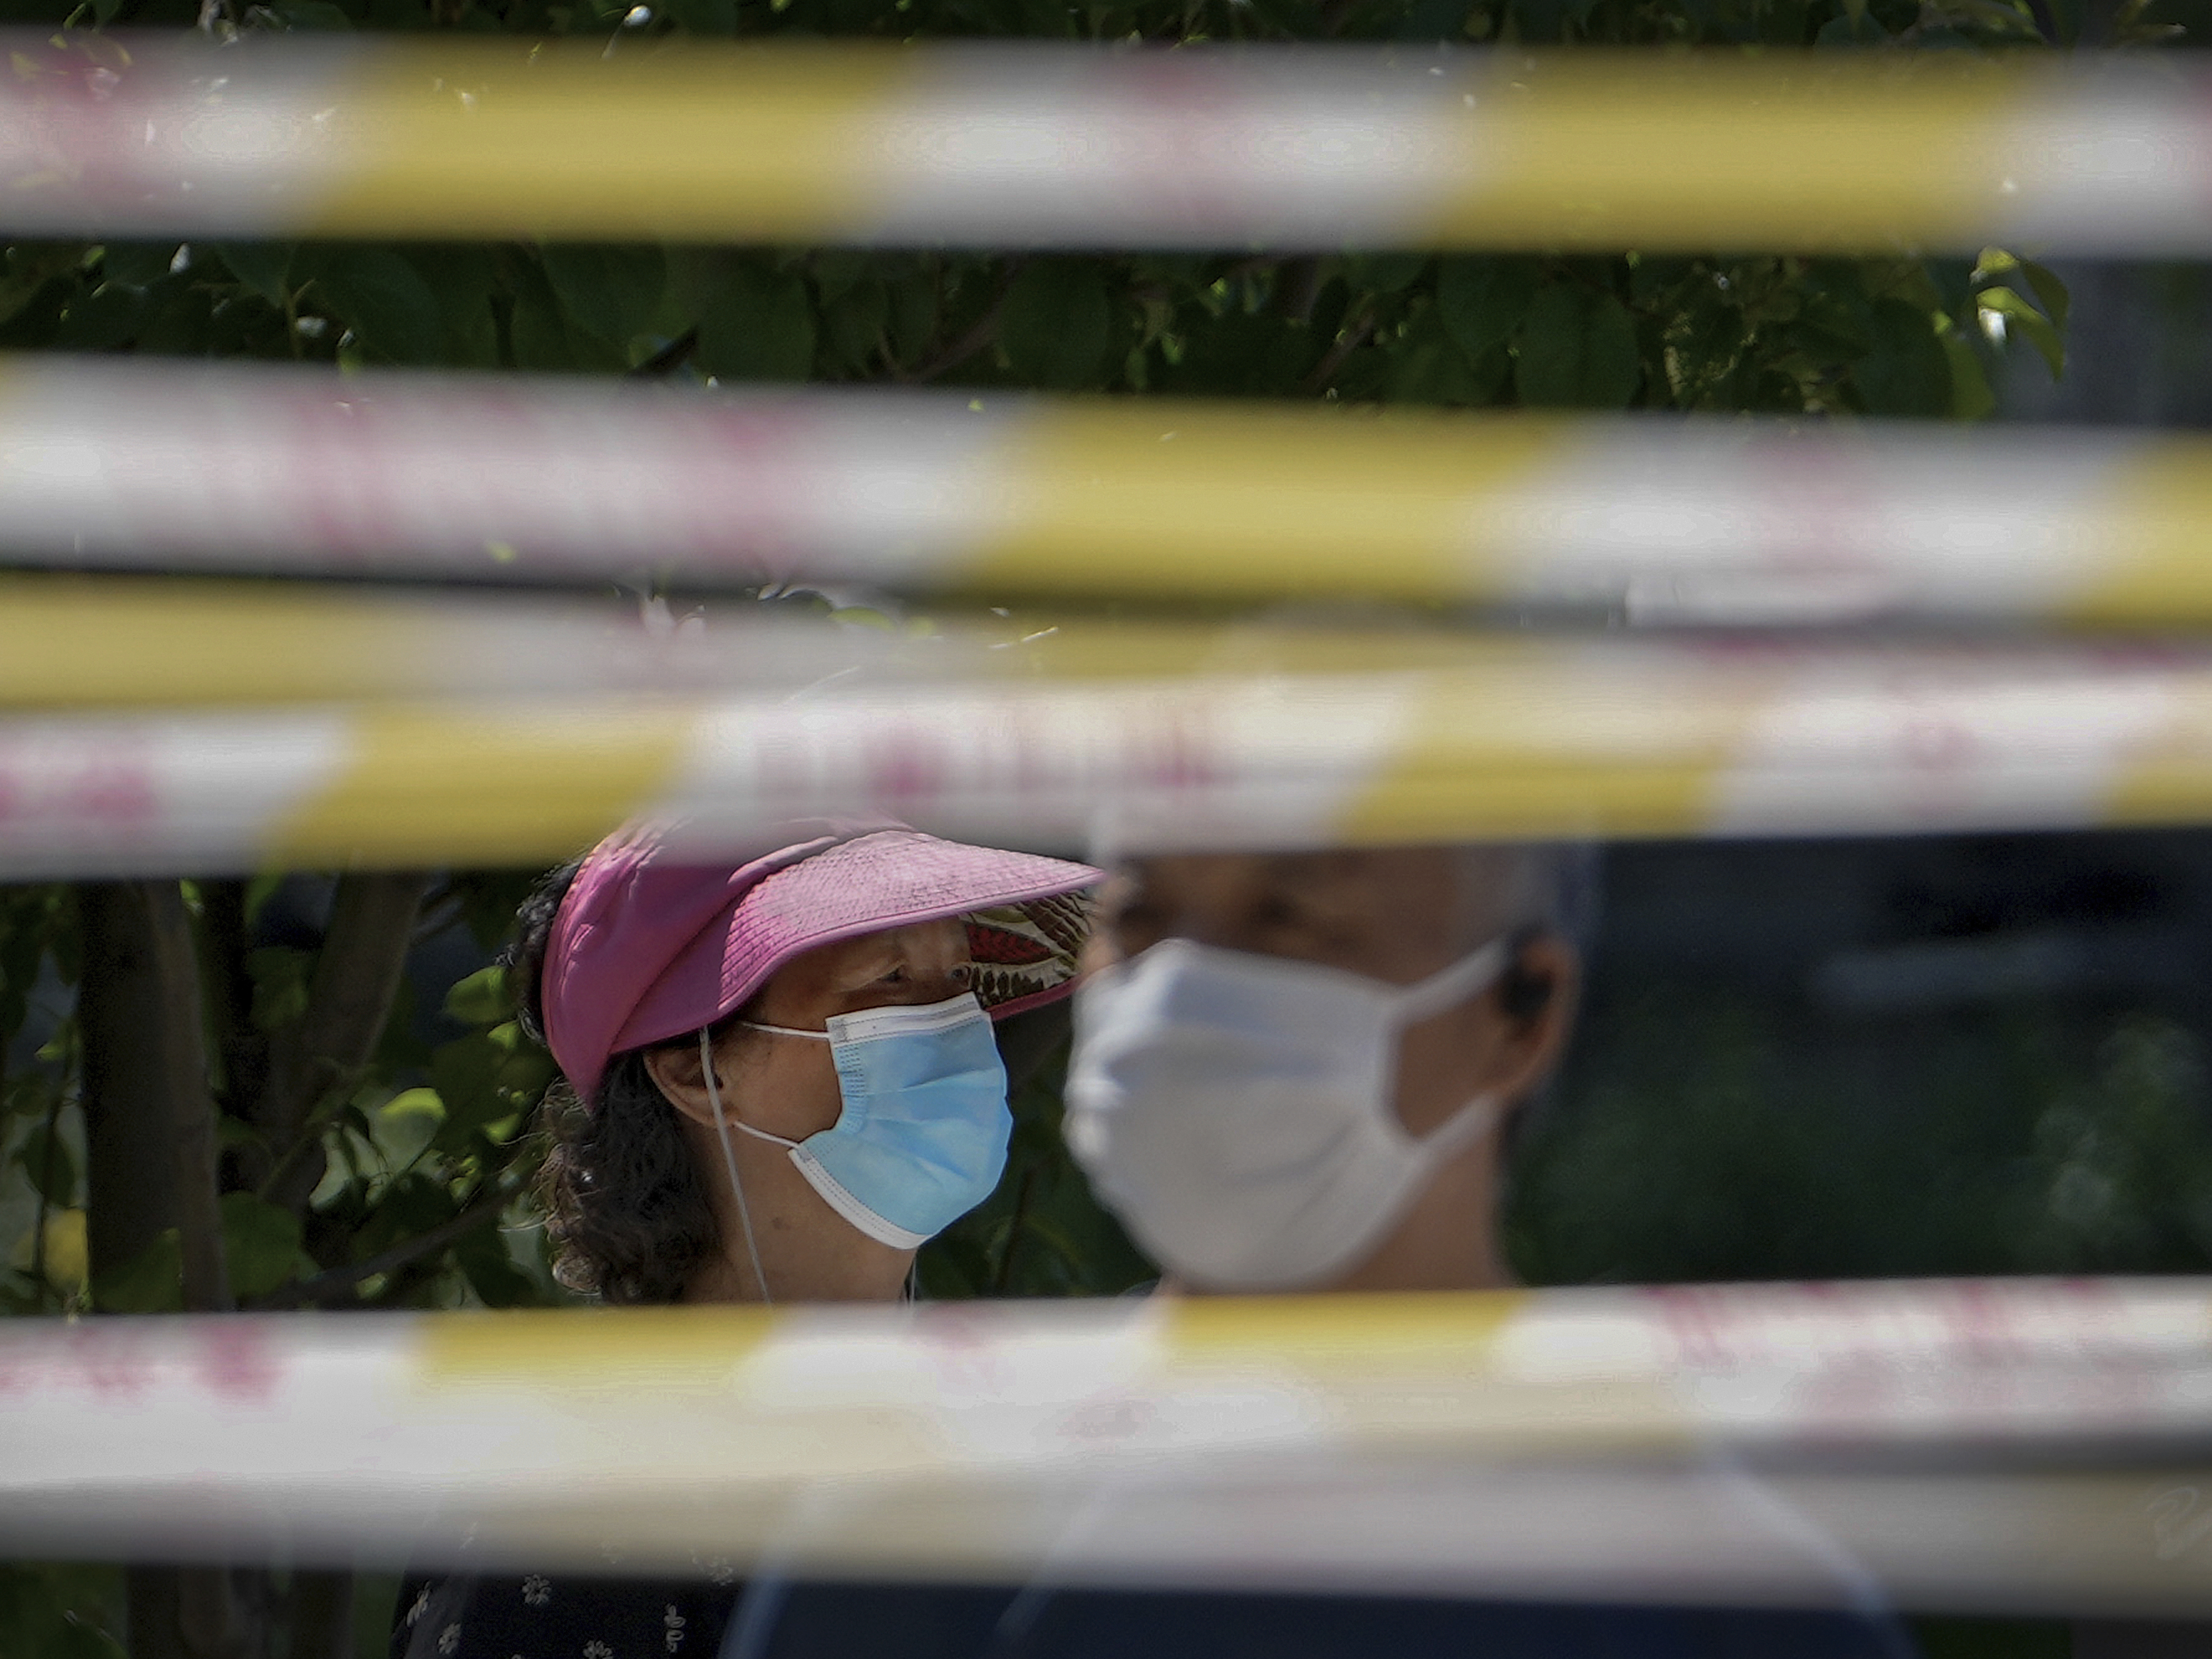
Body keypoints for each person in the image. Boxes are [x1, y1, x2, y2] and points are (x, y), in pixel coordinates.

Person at [1029, 842, 1923, 1659]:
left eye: (1289, 915)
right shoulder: (936, 1508)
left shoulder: (1733, 1610)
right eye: (1139, 918)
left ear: (1518, 1014)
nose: (1179, 986)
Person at [392, 815, 1101, 1659]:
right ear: (696, 1069)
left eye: (959, 980)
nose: (954, 1025)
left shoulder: (1026, 1442)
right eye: (888, 979)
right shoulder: (575, 1514)